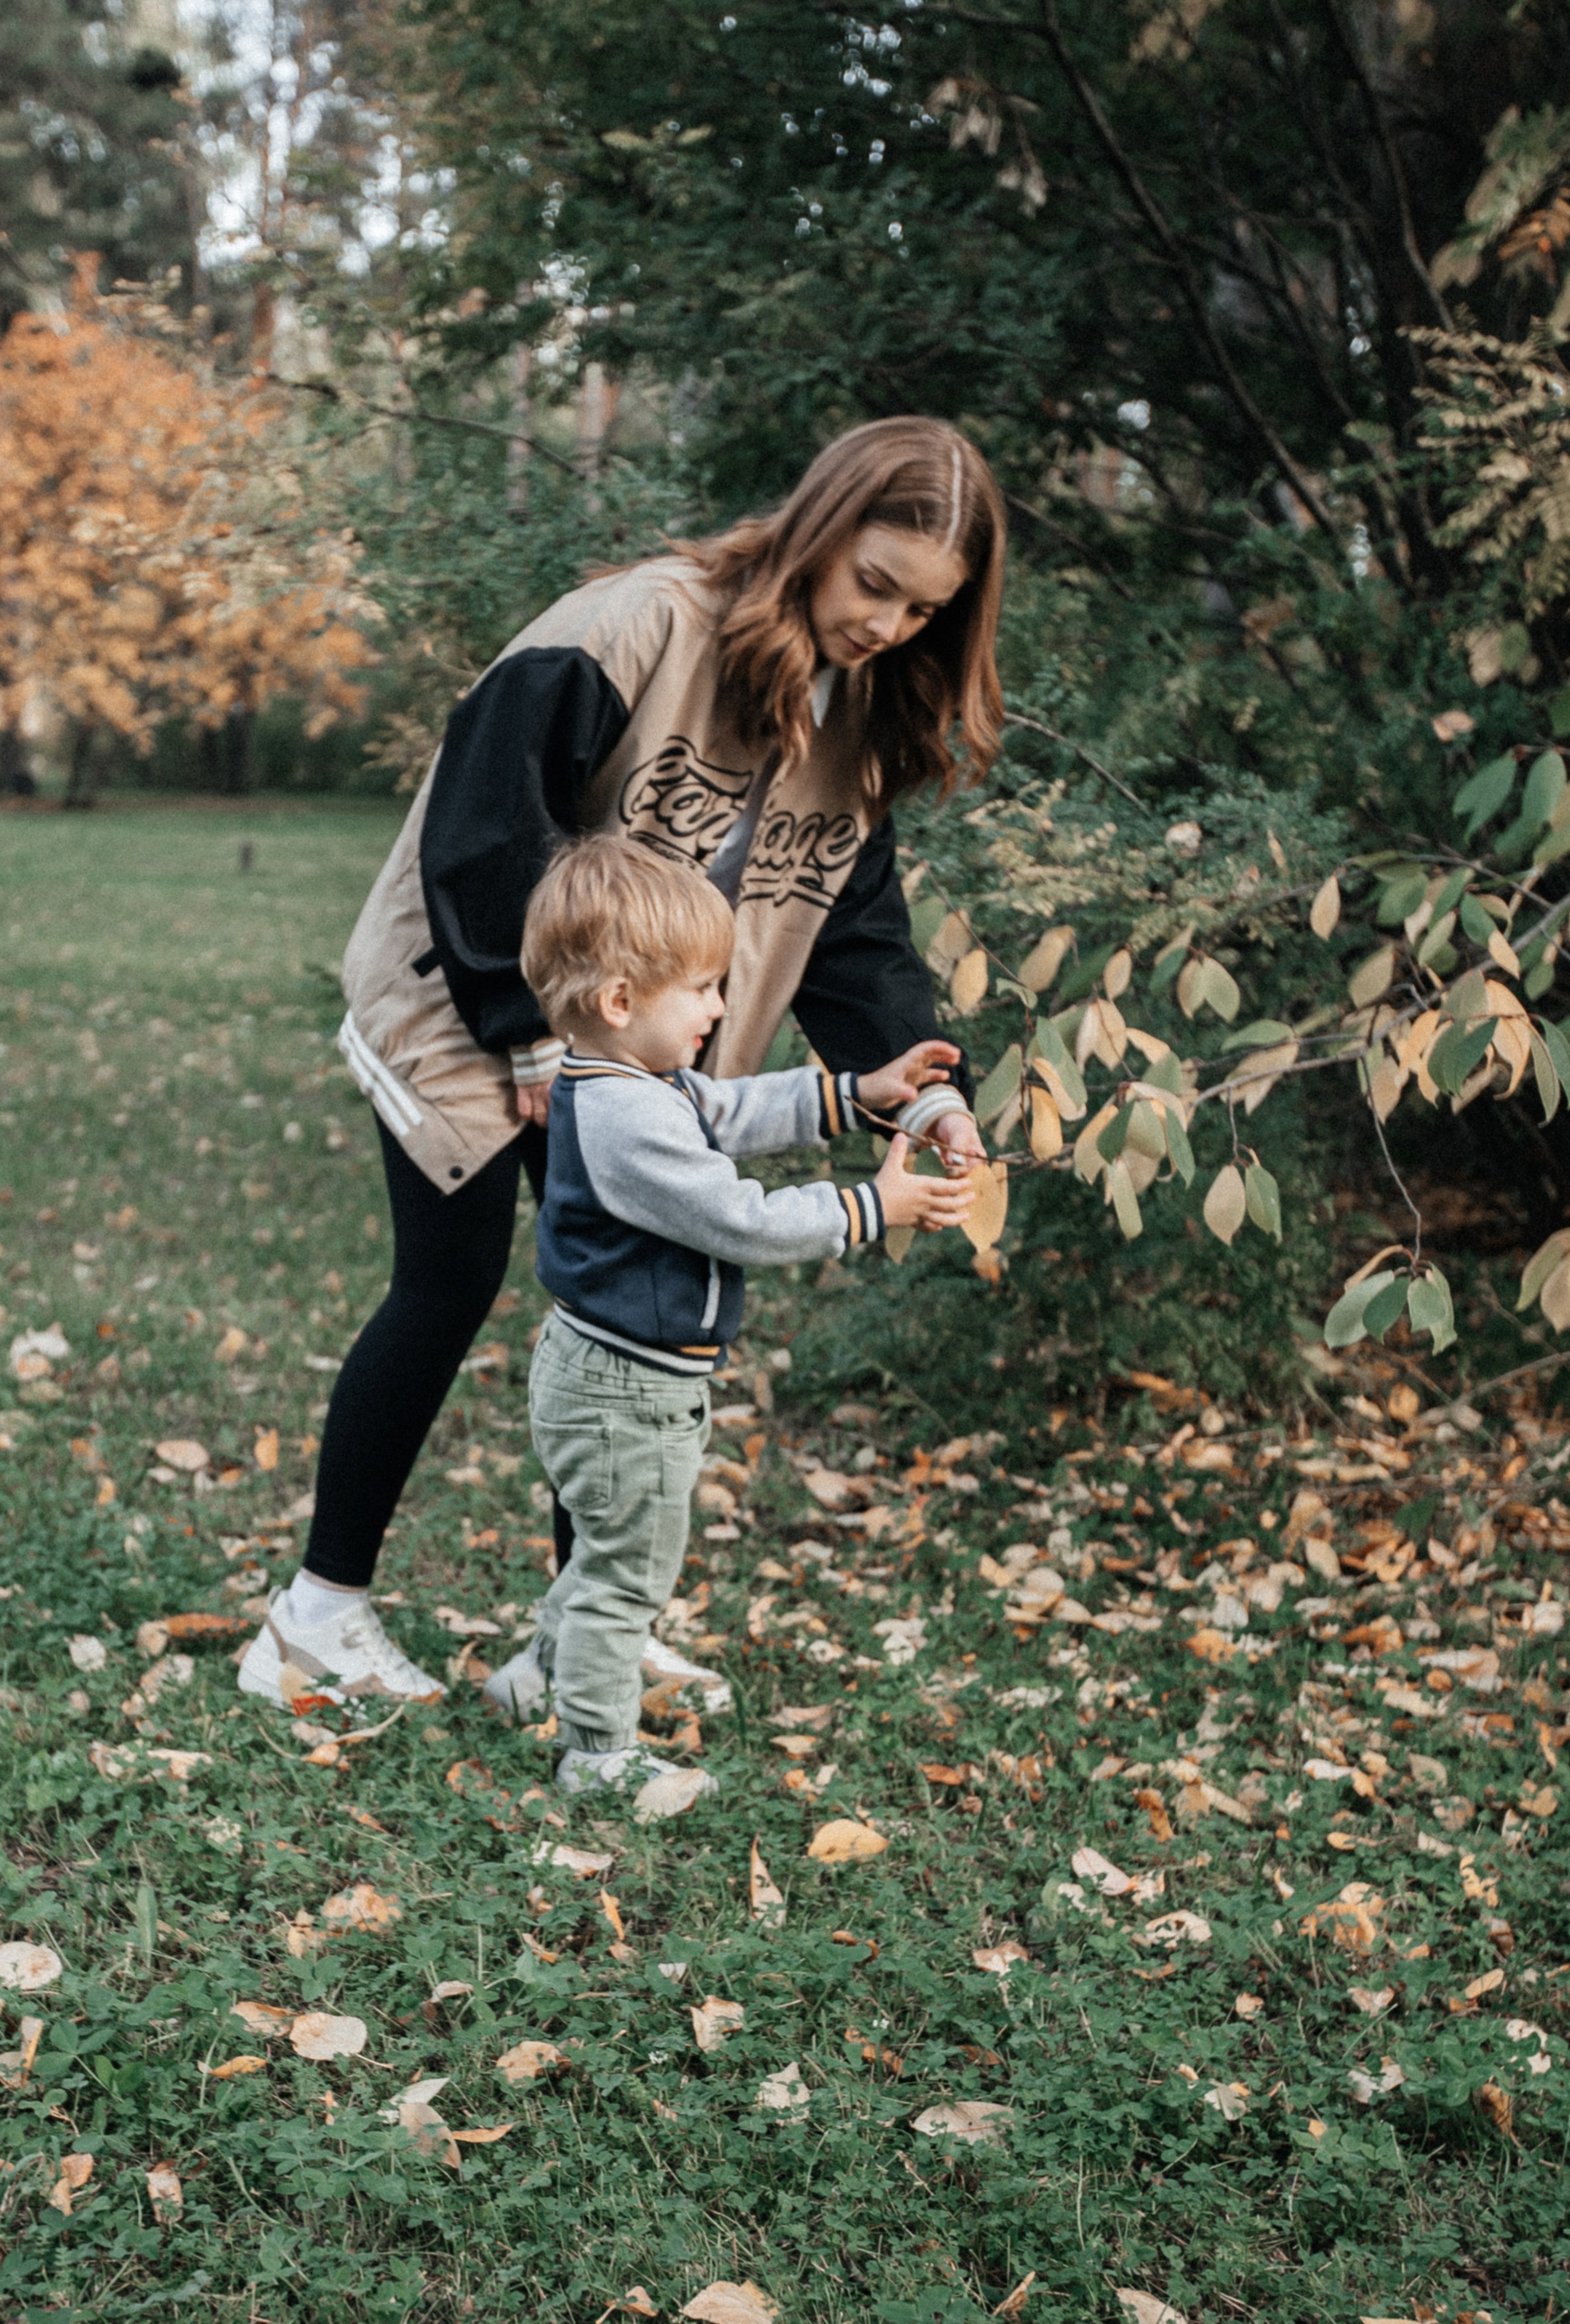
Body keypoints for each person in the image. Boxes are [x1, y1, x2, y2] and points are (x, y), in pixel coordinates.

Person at [237, 413, 1004, 1709]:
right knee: (451, 1274)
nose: (887, 626)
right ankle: (316, 1620)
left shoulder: (859, 726)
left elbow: (856, 941)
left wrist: (924, 1085)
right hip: (471, 979)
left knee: (624, 1309)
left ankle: (578, 1635)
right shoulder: (642, 623)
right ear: (821, 530)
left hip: (639, 1041)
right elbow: (487, 812)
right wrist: (528, 1032)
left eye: (924, 611)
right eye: (875, 584)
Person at [496, 835, 971, 1788]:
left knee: (606, 1549)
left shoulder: (637, 1081)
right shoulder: (628, 1115)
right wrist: (872, 1207)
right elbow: (738, 1219)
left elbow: (735, 1111)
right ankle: (599, 1755)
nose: (722, 1006)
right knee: (626, 1572)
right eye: (704, 988)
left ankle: (537, 1674)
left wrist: (855, 1093)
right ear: (621, 1001)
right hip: (622, 1389)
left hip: (624, 1378)